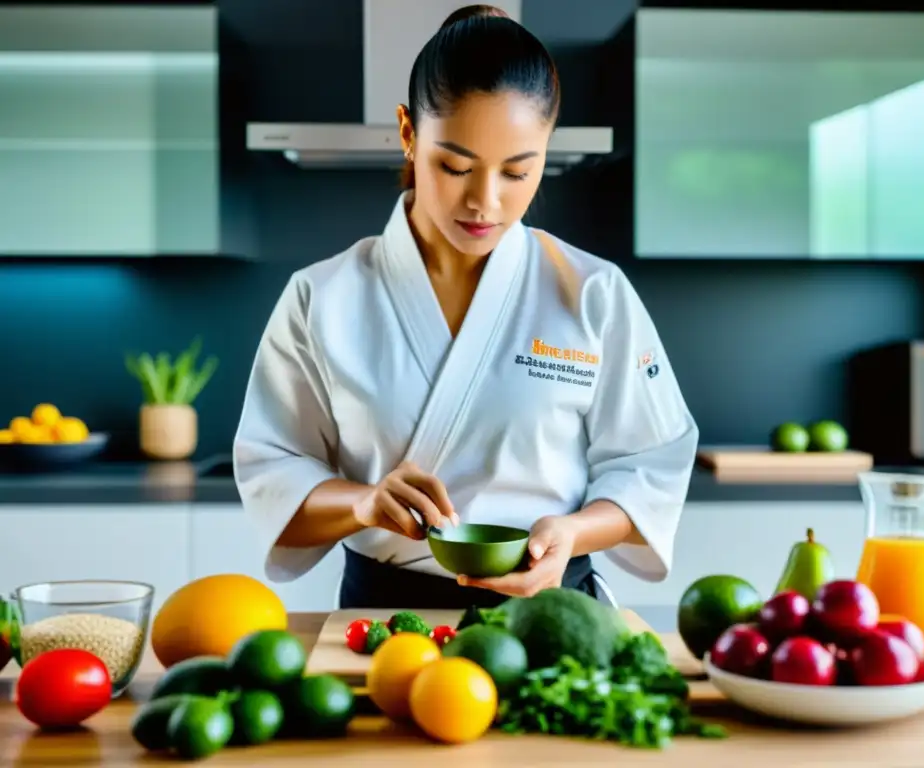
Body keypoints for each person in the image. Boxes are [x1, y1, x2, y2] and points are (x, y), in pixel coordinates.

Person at [233, 4, 699, 610]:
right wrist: (363, 502)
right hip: (386, 626)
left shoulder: (593, 292)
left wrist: (571, 534)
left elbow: (651, 468)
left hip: (553, 619)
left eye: (517, 171)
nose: (485, 202)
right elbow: (273, 478)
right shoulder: (322, 296)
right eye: (455, 166)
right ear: (407, 132)